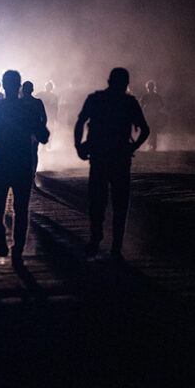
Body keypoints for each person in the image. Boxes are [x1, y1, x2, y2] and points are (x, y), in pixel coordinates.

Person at [74, 67, 149, 261]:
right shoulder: (129, 102)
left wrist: (79, 146)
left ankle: (95, 237)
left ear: (108, 81)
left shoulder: (96, 99)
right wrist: (132, 149)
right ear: (126, 84)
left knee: (97, 199)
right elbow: (145, 130)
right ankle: (116, 246)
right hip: (120, 158)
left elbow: (80, 122)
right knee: (120, 203)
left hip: (99, 156)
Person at [0, 70, 50, 262]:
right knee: (21, 208)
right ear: (19, 87)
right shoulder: (28, 110)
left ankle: (0, 236)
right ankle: (18, 248)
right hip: (22, 164)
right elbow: (44, 136)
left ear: (4, 87)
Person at [20, 81, 47, 182]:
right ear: (32, 89)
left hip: (23, 132)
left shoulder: (19, 102)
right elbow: (44, 117)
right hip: (33, 131)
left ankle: (28, 175)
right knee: (33, 153)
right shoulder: (37, 102)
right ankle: (32, 175)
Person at [139, 80, 165, 151]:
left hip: (149, 115)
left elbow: (141, 105)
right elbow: (162, 104)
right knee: (153, 129)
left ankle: (151, 144)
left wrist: (145, 108)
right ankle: (153, 144)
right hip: (153, 114)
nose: (150, 88)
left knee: (150, 129)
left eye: (150, 86)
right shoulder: (156, 96)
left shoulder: (146, 96)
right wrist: (156, 108)